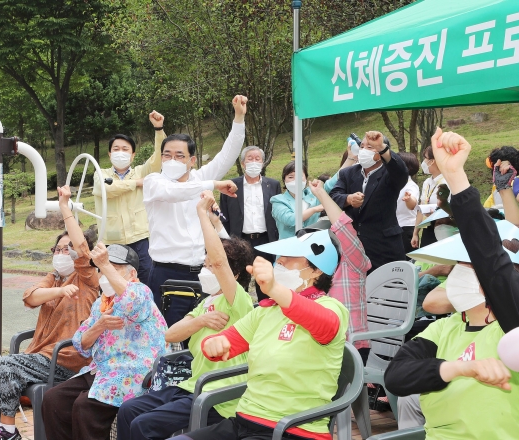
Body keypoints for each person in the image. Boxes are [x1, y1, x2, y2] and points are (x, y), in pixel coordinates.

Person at [384, 128, 519, 439]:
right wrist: (458, 368)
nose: (457, 272)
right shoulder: (443, 329)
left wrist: (457, 180)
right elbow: (397, 376)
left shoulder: (511, 324)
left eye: (466, 265)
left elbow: (490, 258)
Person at [174, 229, 349, 440]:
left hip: (294, 429)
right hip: (245, 421)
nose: (280, 262)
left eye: (290, 257)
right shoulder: (266, 311)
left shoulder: (332, 308)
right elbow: (228, 340)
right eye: (280, 257)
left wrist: (274, 288)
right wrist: (214, 343)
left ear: (316, 271)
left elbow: (322, 323)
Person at [117, 191, 255, 440]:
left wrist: (201, 214)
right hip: (191, 386)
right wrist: (201, 321)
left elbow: (222, 261)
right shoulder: (206, 303)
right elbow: (170, 334)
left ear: (233, 275)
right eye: (204, 265)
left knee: (144, 425)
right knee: (128, 410)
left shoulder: (239, 301)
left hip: (218, 395)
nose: (206, 269)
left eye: (209, 266)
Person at [0, 186, 100, 440]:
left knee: (6, 364)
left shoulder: (87, 279)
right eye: (57, 249)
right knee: (0, 373)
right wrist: (59, 290)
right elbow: (30, 296)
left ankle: (4, 433)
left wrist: (65, 207)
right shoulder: (54, 278)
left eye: (67, 249)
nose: (61, 253)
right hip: (41, 359)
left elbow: (80, 246)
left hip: (67, 360)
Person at [41, 242, 168, 440]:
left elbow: (131, 301)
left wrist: (105, 264)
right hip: (101, 370)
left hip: (133, 373)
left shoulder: (141, 292)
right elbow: (81, 344)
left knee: (85, 407)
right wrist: (99, 325)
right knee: (53, 399)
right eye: (101, 271)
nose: (104, 276)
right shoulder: (101, 302)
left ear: (132, 274)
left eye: (113, 270)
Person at [144, 95, 247, 311]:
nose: (172, 160)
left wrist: (239, 117)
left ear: (192, 160)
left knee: (202, 334)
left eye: (179, 156)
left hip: (203, 273)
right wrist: (213, 184)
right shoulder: (154, 182)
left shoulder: (198, 179)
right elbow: (174, 192)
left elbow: (227, 155)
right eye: (167, 155)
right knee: (170, 336)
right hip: (166, 273)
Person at [93, 111, 166, 285]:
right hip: (111, 241)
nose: (120, 152)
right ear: (109, 154)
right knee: (111, 285)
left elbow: (159, 157)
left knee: (146, 280)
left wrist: (159, 128)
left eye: (125, 149)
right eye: (116, 149)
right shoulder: (100, 173)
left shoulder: (141, 171)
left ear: (133, 155)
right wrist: (136, 183)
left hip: (140, 239)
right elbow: (105, 189)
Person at [308, 179, 372, 361]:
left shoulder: (353, 262)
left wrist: (321, 193)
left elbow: (344, 228)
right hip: (319, 346)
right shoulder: (313, 269)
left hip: (350, 347)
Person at [330, 131, 409, 272]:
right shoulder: (348, 173)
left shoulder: (389, 174)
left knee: (388, 288)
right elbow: (334, 195)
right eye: (362, 147)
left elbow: (401, 171)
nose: (364, 151)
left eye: (370, 147)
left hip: (384, 247)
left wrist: (383, 148)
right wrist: (348, 199)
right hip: (352, 246)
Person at [219, 145, 280, 300]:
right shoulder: (230, 186)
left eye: (257, 159)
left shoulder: (273, 185)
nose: (254, 162)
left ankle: (265, 314)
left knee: (265, 282)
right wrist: (226, 242)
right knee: (239, 282)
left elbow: (277, 214)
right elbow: (224, 217)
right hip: (239, 240)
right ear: (243, 163)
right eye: (250, 159)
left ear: (263, 162)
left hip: (265, 240)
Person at [410, 146, 449, 249]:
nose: (423, 162)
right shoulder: (427, 182)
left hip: (445, 228)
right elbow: (422, 208)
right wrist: (415, 232)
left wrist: (437, 213)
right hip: (428, 228)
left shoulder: (448, 182)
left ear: (433, 161)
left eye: (425, 158)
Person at [396, 152, 419, 256]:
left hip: (406, 229)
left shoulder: (411, 186)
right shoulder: (396, 184)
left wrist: (409, 199)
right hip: (396, 228)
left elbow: (412, 204)